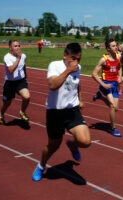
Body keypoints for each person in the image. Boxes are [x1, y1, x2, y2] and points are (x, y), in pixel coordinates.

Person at [32, 43, 91, 181]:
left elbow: (78, 83)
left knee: (85, 141)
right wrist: (68, 71)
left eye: (79, 59)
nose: (76, 62)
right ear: (65, 55)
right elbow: (52, 85)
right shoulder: (55, 65)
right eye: (73, 58)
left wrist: (80, 99)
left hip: (72, 110)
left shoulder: (78, 67)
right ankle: (41, 165)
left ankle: (73, 145)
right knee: (53, 146)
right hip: (55, 112)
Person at [92, 39, 123, 137]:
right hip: (106, 84)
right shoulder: (103, 59)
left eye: (116, 45)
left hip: (114, 85)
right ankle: (113, 128)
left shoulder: (119, 56)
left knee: (116, 108)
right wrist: (104, 85)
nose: (116, 47)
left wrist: (119, 77)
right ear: (108, 49)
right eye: (113, 46)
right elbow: (94, 74)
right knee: (112, 106)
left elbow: (120, 68)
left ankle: (99, 97)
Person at [0, 39, 30, 125]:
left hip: (20, 81)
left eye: (19, 45)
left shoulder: (24, 56)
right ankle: (1, 115)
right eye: (15, 46)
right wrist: (18, 59)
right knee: (7, 103)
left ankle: (22, 112)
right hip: (9, 83)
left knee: (27, 97)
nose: (18, 48)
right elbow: (11, 70)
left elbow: (24, 65)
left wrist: (25, 75)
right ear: (10, 48)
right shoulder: (7, 57)